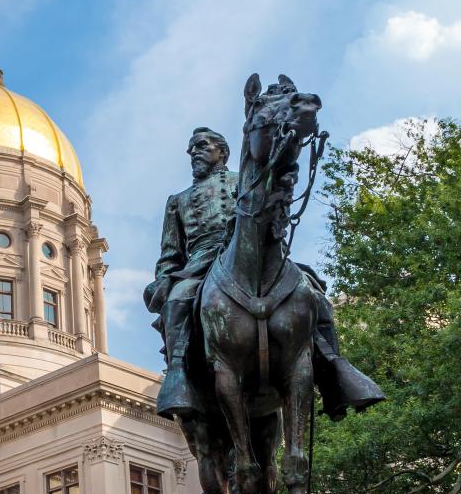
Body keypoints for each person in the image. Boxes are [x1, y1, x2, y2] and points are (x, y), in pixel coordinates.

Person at [145, 127, 383, 421]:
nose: (194, 152)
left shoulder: (246, 182)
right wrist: (165, 278)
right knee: (177, 301)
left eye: (202, 145)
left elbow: (275, 209)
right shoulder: (178, 201)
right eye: (191, 148)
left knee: (313, 294)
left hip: (250, 252)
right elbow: (170, 254)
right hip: (201, 261)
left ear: (222, 152)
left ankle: (333, 369)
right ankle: (178, 373)